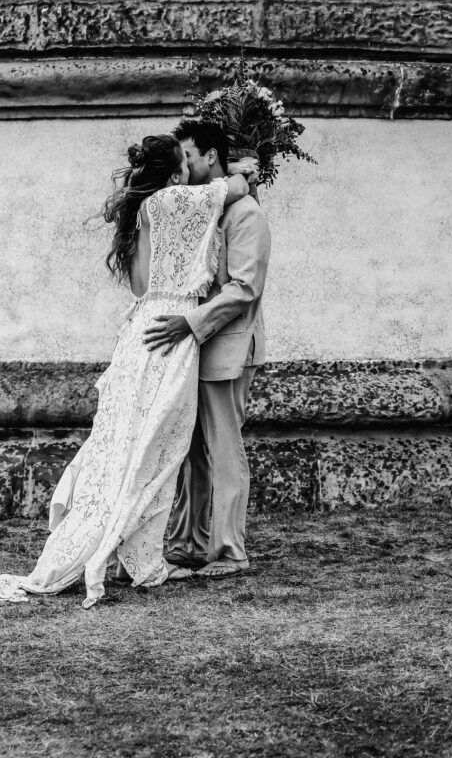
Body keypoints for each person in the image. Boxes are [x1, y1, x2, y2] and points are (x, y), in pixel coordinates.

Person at [0, 134, 257, 609]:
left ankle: (124, 549)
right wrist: (249, 166)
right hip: (173, 332)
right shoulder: (184, 198)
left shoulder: (142, 212)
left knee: (121, 444)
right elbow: (239, 186)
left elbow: (141, 285)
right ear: (176, 170)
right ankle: (141, 556)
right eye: (184, 158)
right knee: (161, 447)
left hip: (140, 330)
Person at [143, 120, 271, 579]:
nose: (183, 166)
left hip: (226, 348)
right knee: (190, 448)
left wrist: (190, 322)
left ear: (212, 157)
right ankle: (188, 543)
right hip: (192, 349)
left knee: (222, 448)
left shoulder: (247, 215)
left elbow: (244, 288)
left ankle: (230, 550)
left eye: (190, 157)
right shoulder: (206, 206)